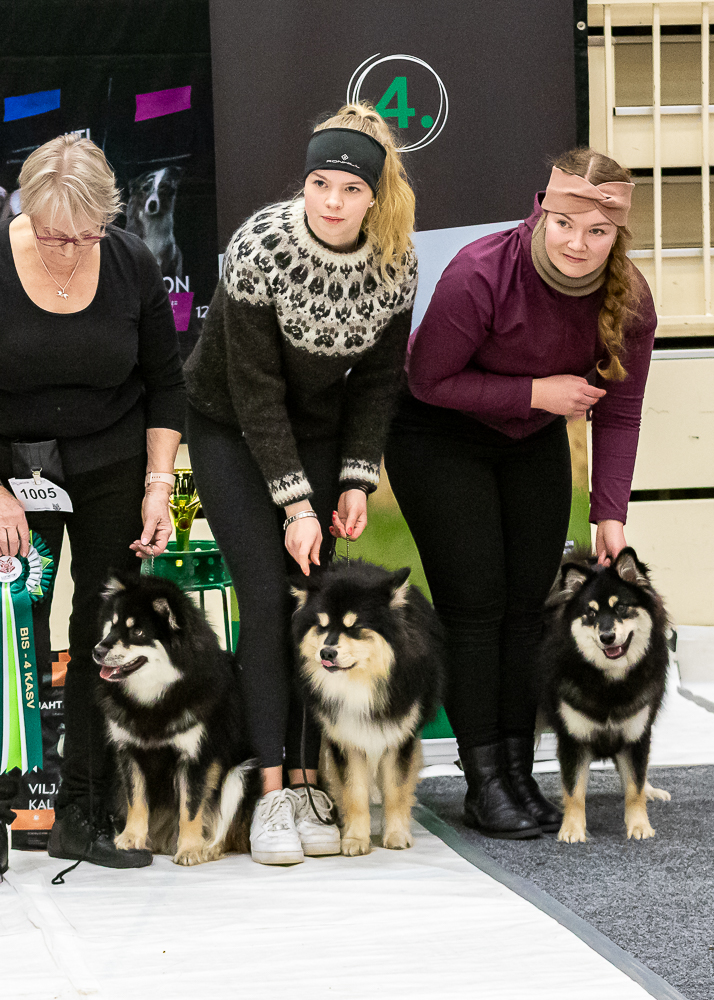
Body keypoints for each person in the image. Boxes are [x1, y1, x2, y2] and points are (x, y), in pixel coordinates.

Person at [0, 134, 184, 889]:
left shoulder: (131, 260)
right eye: (50, 233)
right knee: (16, 637)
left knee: (103, 637)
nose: (68, 250)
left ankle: (86, 811)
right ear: (24, 211)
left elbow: (166, 384)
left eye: (84, 235)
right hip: (14, 471)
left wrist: (159, 482)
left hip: (112, 463)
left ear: (109, 217)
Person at [383, 148, 656, 839]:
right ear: (542, 211)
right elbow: (425, 380)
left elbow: (619, 411)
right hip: (439, 433)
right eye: (565, 223)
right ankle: (483, 783)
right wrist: (537, 391)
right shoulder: (481, 273)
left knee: (529, 610)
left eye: (597, 232)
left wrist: (610, 512)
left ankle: (518, 771)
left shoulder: (630, 300)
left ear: (617, 236)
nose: (577, 243)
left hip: (529, 437)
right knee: (477, 606)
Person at [183, 104, 419, 865]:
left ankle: (314, 778)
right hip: (228, 425)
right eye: (320, 183)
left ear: (375, 197)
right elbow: (252, 390)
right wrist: (295, 503)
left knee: (317, 601)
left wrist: (354, 481)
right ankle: (270, 793)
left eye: (350, 189)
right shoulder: (260, 247)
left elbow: (379, 384)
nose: (331, 201)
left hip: (315, 427)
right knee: (264, 594)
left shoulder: (395, 264)